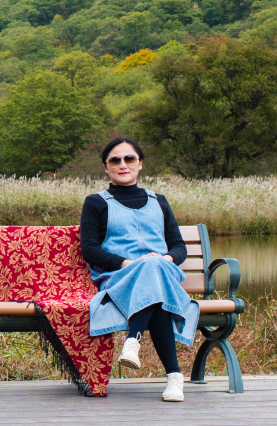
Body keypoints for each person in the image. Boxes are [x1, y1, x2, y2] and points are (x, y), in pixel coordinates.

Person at [80, 136, 201, 402]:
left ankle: (133, 341)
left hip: (162, 272)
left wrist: (164, 260)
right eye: (115, 160)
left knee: (153, 267)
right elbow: (90, 249)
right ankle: (174, 377)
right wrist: (128, 263)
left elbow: (179, 247)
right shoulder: (95, 202)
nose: (123, 164)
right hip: (121, 277)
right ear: (106, 167)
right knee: (154, 287)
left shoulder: (158, 200)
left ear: (140, 163)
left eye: (129, 158)